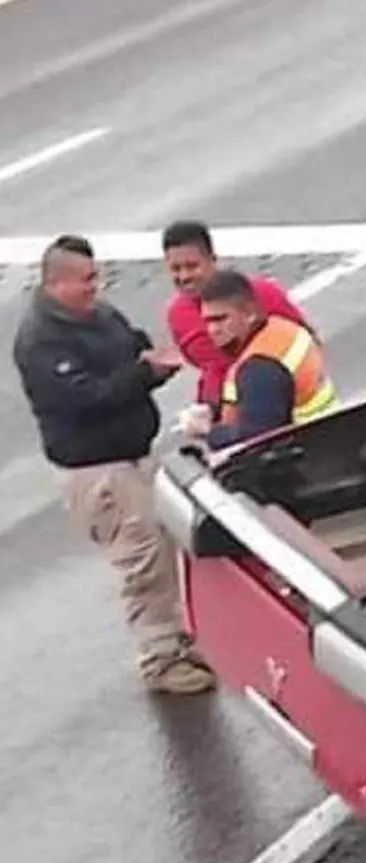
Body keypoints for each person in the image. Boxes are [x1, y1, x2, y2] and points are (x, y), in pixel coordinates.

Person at [10, 235, 216, 696]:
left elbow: (129, 346)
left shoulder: (97, 315)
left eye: (94, 276)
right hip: (99, 471)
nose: (94, 286)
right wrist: (143, 373)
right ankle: (160, 660)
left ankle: (177, 640)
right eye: (84, 280)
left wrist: (150, 359)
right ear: (54, 283)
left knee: (163, 552)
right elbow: (86, 398)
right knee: (141, 560)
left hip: (134, 457)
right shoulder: (41, 342)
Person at [175, 270, 339, 451]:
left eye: (221, 319)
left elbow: (256, 440)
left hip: (307, 459)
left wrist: (208, 431)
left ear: (249, 313)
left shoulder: (259, 368)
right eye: (207, 322)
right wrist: (213, 410)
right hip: (327, 440)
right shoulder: (279, 329)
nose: (213, 330)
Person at [161, 220, 311, 408]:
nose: (184, 277)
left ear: (212, 261)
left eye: (192, 266)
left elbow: (305, 342)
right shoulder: (178, 316)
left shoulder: (263, 294)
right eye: (176, 269)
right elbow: (210, 369)